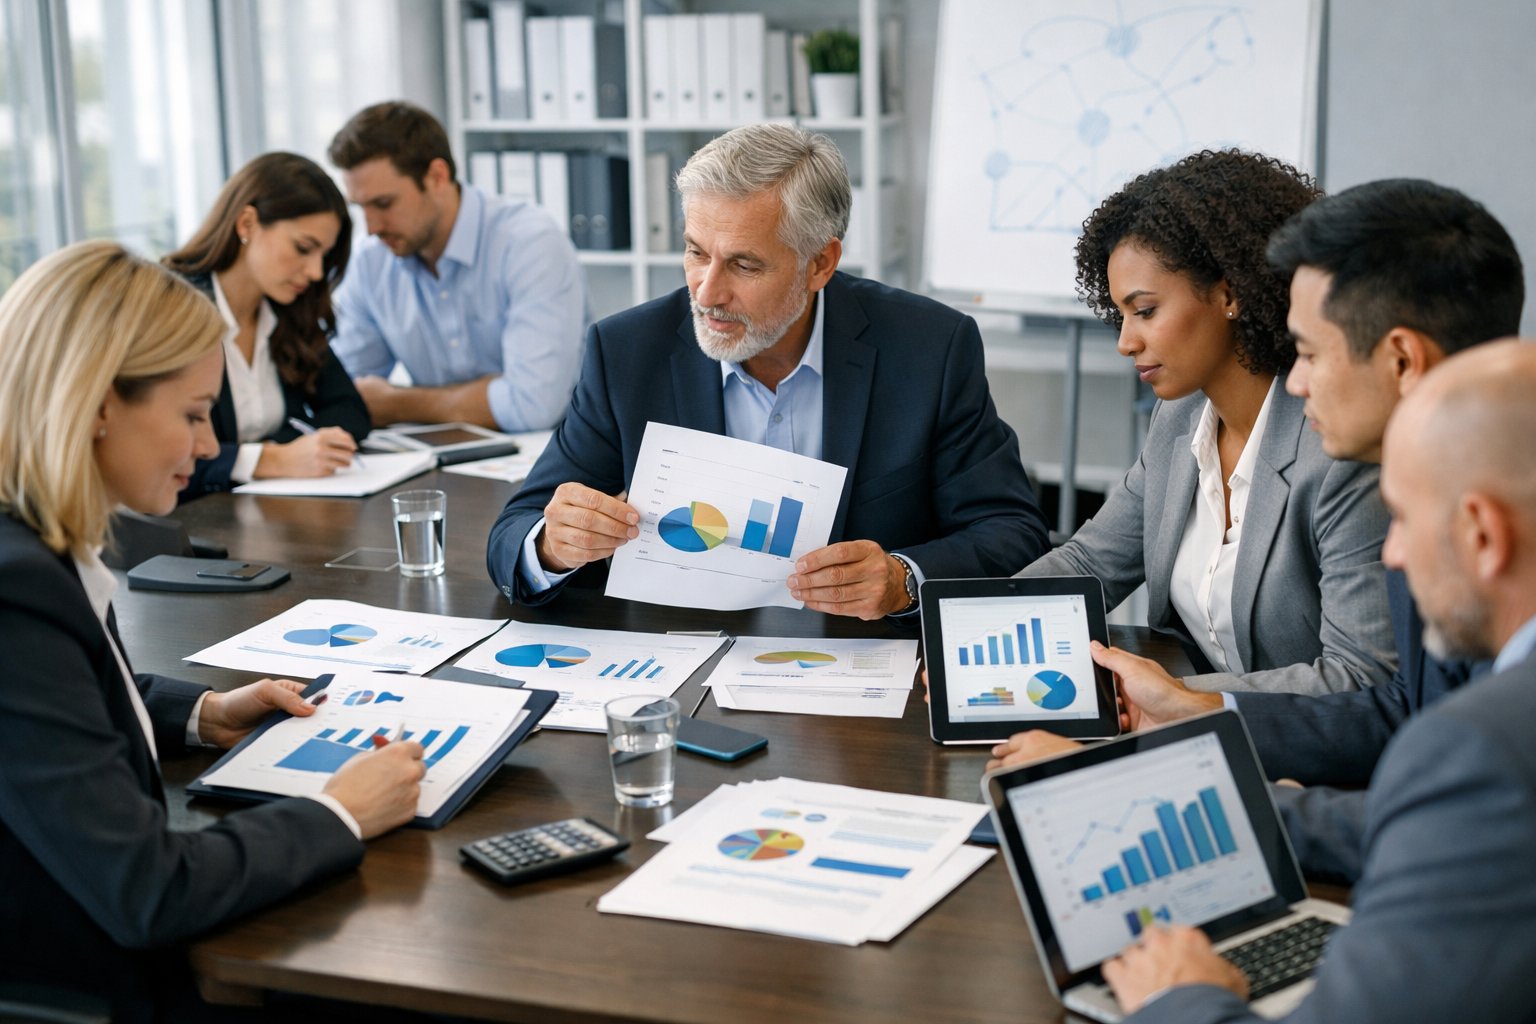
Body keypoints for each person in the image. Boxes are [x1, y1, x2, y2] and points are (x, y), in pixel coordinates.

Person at [992, 180, 1524, 883]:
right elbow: (1398, 714)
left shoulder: (1353, 467)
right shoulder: (1191, 424)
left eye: (1309, 353)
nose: (1297, 384)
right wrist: (969, 631)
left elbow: (1412, 777)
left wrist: (1137, 769)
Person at [0, 241, 425, 1018]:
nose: (206, 448)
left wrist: (200, 712)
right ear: (97, 403)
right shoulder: (15, 590)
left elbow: (55, 709)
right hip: (87, 981)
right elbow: (150, 891)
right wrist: (340, 811)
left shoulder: (34, 548)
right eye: (194, 415)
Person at [1099, 339, 1536, 1023]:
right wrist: (1254, 804)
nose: (1392, 554)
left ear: (1482, 534)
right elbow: (1451, 825)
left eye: (1404, 519)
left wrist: (1177, 998)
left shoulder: (1482, 745)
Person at [486, 122, 1048, 618]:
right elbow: (514, 534)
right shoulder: (627, 351)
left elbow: (1014, 532)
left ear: (820, 263)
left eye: (743, 264)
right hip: (685, 661)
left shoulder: (929, 348)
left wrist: (903, 579)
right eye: (696, 252)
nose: (707, 292)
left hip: (861, 674)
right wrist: (552, 546)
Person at [1015, 150, 1394, 696]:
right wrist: (959, 627)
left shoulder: (1338, 451)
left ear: (1231, 293)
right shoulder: (1180, 420)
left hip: (1304, 761)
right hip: (1199, 734)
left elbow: (1362, 678)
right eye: (1120, 315)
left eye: (1145, 312)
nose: (1126, 342)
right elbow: (1088, 563)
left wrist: (1180, 701)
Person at [327, 100, 588, 432]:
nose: (372, 226)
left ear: (437, 176)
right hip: (439, 455)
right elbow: (347, 395)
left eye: (383, 204)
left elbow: (532, 407)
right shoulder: (371, 261)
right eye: (360, 207)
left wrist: (395, 403)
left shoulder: (529, 243)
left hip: (549, 458)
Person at [164, 152, 368, 499]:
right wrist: (269, 459)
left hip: (270, 515)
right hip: (190, 527)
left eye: (324, 256)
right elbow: (158, 454)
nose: (317, 272)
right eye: (304, 248)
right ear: (246, 224)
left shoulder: (289, 309)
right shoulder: (170, 310)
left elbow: (350, 410)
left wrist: (292, 451)